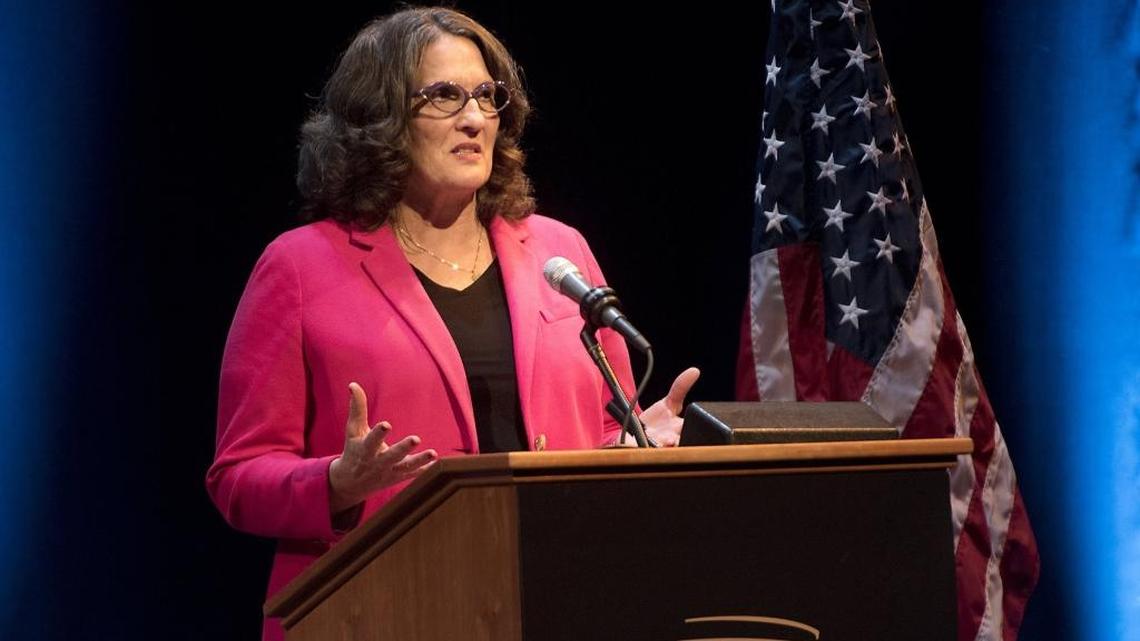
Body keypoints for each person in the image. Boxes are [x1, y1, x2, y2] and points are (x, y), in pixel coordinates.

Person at [206, 7, 700, 640]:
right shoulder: (301, 267)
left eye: (487, 96)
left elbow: (601, 425)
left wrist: (631, 444)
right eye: (444, 96)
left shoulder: (558, 252)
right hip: (380, 611)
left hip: (555, 598)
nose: (474, 118)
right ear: (381, 119)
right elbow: (238, 475)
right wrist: (336, 483)